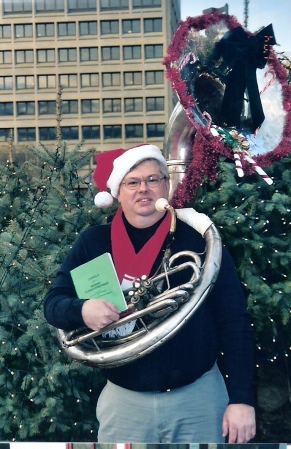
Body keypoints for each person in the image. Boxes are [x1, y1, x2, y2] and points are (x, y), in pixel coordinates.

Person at [44, 144, 256, 443]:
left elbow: (234, 321)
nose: (143, 189)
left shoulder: (198, 238)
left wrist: (242, 399)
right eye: (133, 182)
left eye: (153, 179)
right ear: (117, 192)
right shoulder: (93, 242)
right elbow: (53, 304)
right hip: (124, 402)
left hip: (199, 397)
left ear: (166, 186)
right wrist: (82, 310)